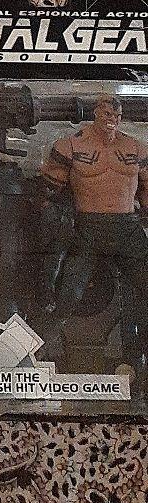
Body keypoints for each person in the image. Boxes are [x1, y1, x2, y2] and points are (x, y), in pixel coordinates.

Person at [37, 96, 148, 384]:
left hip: (127, 228)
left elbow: (146, 188)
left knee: (144, 290)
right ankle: (38, 352)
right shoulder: (71, 146)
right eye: (107, 113)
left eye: (118, 115)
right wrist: (53, 227)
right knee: (67, 295)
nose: (113, 119)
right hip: (88, 227)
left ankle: (139, 356)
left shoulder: (135, 147)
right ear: (95, 114)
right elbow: (48, 191)